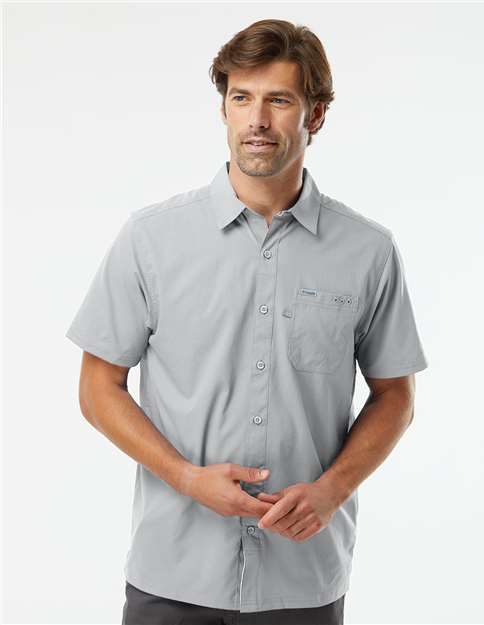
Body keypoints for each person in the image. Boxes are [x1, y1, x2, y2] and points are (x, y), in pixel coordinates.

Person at [65, 18, 428, 625]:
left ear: (315, 115)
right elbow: (97, 387)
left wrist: (332, 490)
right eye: (241, 98)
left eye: (278, 100)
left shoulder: (368, 252)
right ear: (224, 109)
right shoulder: (151, 240)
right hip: (172, 574)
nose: (256, 120)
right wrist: (185, 478)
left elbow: (396, 396)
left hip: (302, 579)